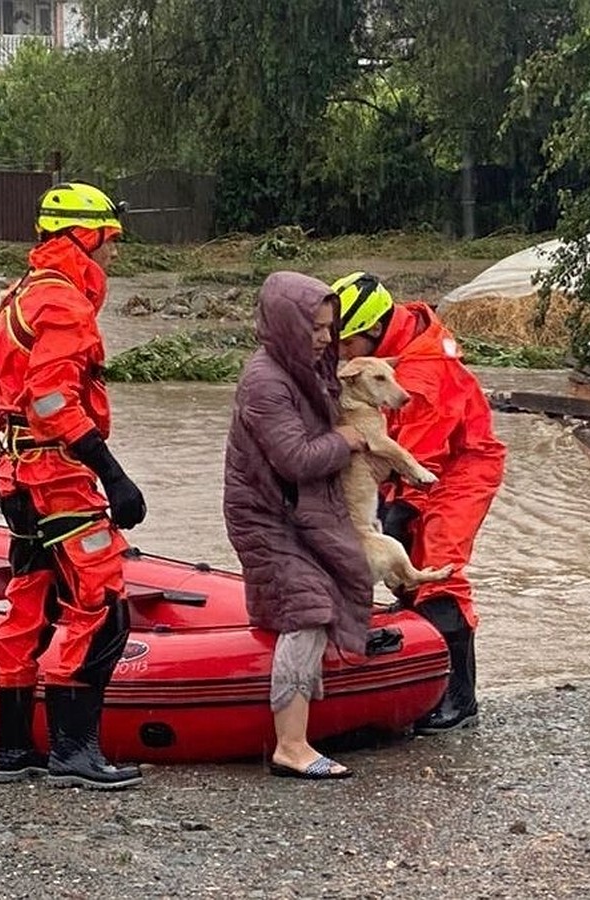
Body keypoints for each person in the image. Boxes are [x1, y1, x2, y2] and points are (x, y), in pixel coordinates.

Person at [0, 182, 147, 791]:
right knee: (101, 604)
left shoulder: (20, 295)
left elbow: (7, 394)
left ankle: (14, 749)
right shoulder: (63, 304)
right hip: (58, 475)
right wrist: (114, 474)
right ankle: (74, 751)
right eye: (110, 242)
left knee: (29, 603)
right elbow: (52, 400)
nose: (113, 256)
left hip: (17, 471)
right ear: (86, 238)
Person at [333, 272, 506, 735]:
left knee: (440, 573)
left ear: (370, 332)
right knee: (406, 568)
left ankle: (460, 698)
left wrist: (392, 515)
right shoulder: (404, 335)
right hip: (429, 460)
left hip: (461, 469)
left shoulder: (424, 375)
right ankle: (425, 682)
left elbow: (418, 460)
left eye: (345, 343)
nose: (340, 354)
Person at [223, 271, 373, 780]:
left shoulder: (308, 370)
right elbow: (295, 458)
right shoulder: (266, 381)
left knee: (319, 596)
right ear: (290, 325)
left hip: (297, 512)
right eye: (316, 328)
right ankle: (290, 746)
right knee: (308, 608)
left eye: (330, 328)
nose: (326, 339)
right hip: (265, 514)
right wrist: (348, 441)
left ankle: (300, 718)